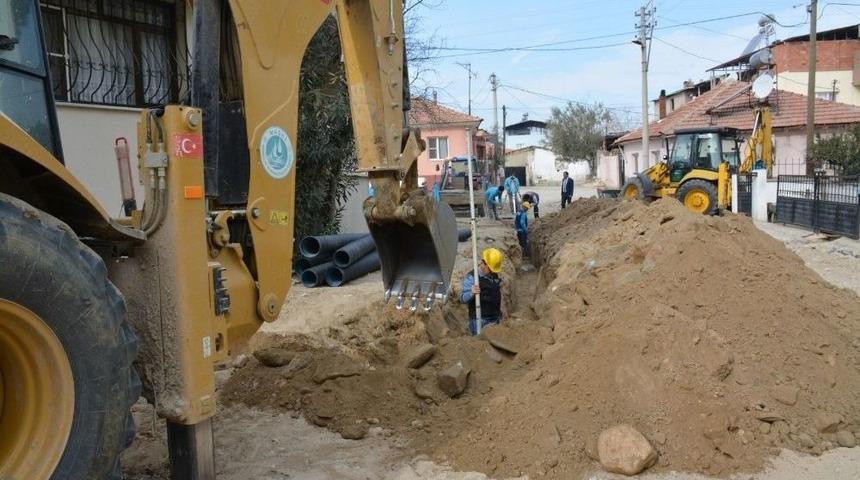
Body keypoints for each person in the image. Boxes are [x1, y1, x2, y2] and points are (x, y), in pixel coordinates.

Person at [459, 248, 504, 335]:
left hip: (495, 318)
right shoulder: (472, 277)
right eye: (490, 268)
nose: (492, 271)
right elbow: (462, 299)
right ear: (484, 263)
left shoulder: (493, 274)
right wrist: (471, 293)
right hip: (480, 321)